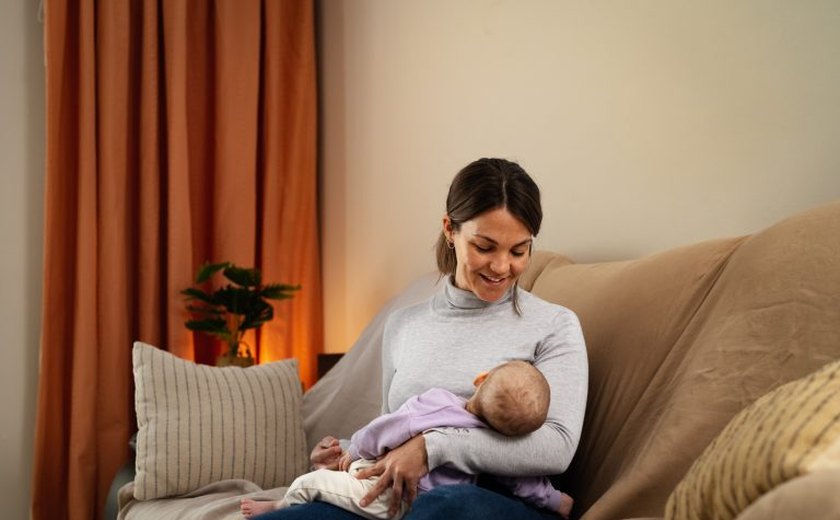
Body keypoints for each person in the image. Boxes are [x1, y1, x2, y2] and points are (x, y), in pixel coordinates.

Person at [257, 157, 588, 520]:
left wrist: (432, 448)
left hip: (495, 499)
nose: (501, 266)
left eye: (518, 251)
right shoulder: (404, 325)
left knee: (445, 506)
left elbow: (556, 447)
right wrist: (347, 451)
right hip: (395, 493)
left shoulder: (554, 325)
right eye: (484, 246)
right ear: (450, 229)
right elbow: (393, 424)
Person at [241, 360, 574, 519]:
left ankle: (281, 501)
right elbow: (524, 484)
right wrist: (557, 501)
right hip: (404, 494)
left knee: (315, 483)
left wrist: (355, 448)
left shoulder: (436, 402)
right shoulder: (493, 444)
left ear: (480, 378)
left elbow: (385, 429)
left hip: (393, 495)